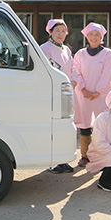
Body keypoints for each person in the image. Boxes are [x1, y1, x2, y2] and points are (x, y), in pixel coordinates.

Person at [71, 22, 111, 167]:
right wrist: (83, 89)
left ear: (101, 37)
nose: (93, 37)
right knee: (85, 125)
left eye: (97, 34)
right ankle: (85, 155)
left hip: (101, 95)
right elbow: (76, 72)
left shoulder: (107, 53)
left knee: (102, 125)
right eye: (91, 34)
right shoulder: (80, 54)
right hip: (83, 95)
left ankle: (103, 155)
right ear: (86, 36)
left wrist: (98, 91)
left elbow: (107, 73)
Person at [40, 19, 76, 174]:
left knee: (64, 125)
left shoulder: (67, 50)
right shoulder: (44, 48)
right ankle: (51, 161)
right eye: (57, 31)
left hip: (66, 93)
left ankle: (63, 160)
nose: (60, 34)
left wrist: (73, 81)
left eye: (63, 31)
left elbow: (73, 68)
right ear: (50, 32)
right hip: (52, 92)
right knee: (52, 127)